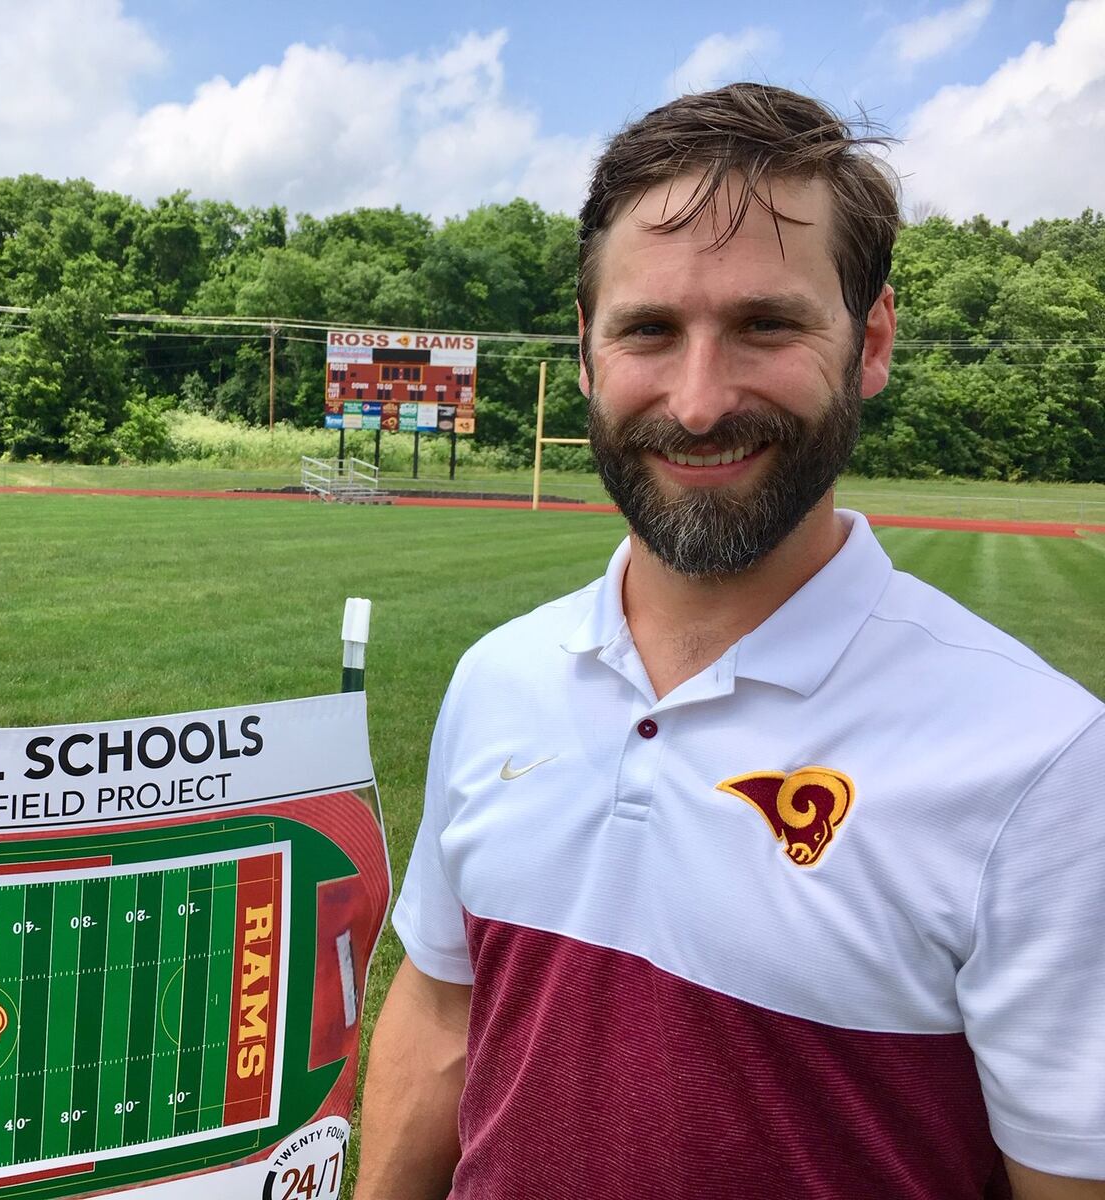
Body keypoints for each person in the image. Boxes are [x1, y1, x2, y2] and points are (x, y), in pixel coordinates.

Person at [358, 83, 1105, 1200]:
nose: (698, 403)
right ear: (586, 350)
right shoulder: (498, 677)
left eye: (765, 324)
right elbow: (441, 1011)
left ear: (871, 341)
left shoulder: (1042, 766)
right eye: (649, 330)